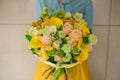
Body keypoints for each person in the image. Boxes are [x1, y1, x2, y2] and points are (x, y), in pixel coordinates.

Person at [33, 0, 93, 80]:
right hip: (48, 64)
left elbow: (87, 36)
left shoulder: (85, 2)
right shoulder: (42, 1)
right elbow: (38, 33)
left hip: (76, 64)